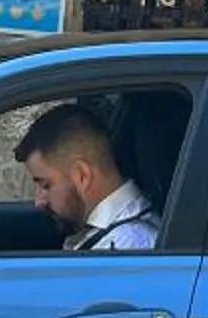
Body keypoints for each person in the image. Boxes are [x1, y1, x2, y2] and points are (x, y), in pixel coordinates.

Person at [15, 103, 159, 251]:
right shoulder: (111, 237)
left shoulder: (129, 246)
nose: (39, 201)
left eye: (46, 186)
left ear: (82, 176)